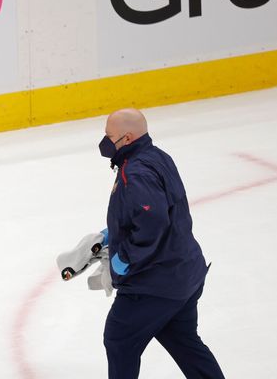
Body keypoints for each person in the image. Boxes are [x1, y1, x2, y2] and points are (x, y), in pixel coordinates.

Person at [93, 108, 224, 378]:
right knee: (184, 342)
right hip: (184, 275)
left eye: (109, 136)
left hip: (155, 284)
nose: (104, 141)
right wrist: (114, 234)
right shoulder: (156, 157)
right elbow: (160, 212)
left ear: (126, 139)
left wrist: (123, 261)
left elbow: (151, 225)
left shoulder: (136, 172)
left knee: (119, 339)